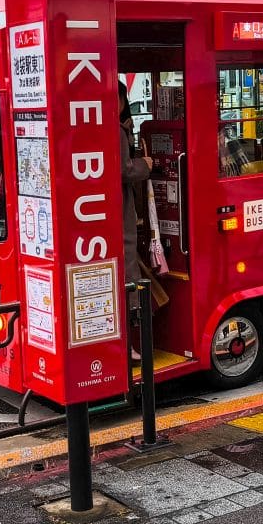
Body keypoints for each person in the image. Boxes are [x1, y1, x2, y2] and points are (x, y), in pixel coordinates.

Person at [119, 80, 152, 361]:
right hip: (120, 212)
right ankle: (126, 346)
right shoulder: (116, 131)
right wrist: (147, 165)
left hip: (109, 213)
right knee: (128, 274)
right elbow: (126, 171)